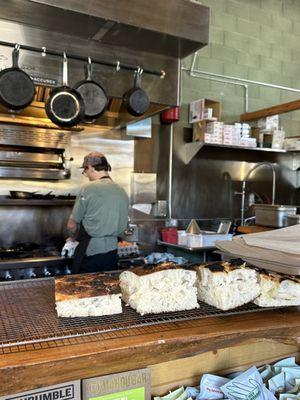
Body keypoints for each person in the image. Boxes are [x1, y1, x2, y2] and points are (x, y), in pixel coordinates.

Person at [66, 151, 129, 274]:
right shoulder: (122, 191)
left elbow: (71, 225)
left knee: (84, 289)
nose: (87, 175)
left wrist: (71, 239)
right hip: (112, 253)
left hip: (90, 252)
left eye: (85, 172)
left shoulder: (88, 188)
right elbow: (124, 228)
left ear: (89, 167)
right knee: (106, 289)